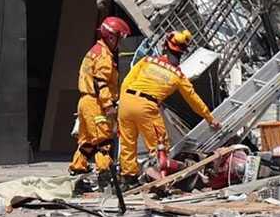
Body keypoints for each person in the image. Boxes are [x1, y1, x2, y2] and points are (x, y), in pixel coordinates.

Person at [117, 30, 221, 188]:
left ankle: (128, 179)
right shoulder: (177, 75)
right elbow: (193, 99)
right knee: (159, 147)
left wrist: (123, 103)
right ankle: (162, 180)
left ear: (165, 48)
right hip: (147, 106)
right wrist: (210, 119)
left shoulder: (146, 61)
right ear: (181, 54)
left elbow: (126, 82)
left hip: (126, 103)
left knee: (128, 144)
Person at [69, 17, 131, 187]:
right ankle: (106, 175)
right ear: (112, 37)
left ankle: (78, 169)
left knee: (88, 141)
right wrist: (109, 106)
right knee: (104, 141)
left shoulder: (95, 51)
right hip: (95, 103)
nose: (120, 43)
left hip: (85, 102)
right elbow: (100, 82)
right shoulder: (104, 56)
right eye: (120, 38)